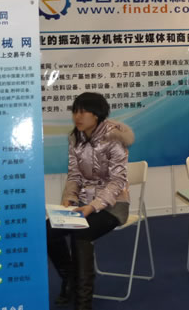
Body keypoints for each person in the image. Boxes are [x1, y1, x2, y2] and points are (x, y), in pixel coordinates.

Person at [47, 92, 134, 310]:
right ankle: (71, 279)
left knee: (81, 232)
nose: (77, 116)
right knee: (48, 231)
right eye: (75, 111)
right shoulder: (75, 138)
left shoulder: (114, 138)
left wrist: (93, 206)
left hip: (114, 206)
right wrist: (69, 198)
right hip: (84, 205)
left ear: (96, 114)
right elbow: (74, 175)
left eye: (83, 111)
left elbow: (117, 181)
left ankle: (83, 303)